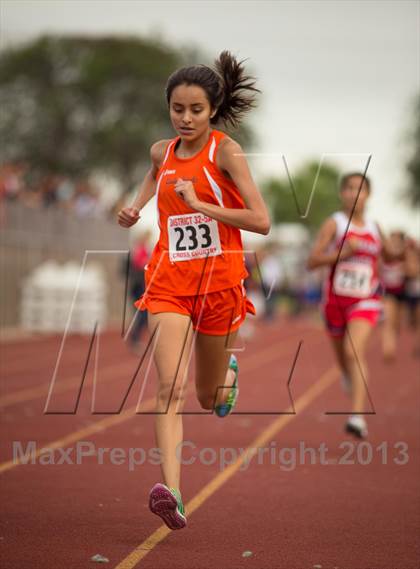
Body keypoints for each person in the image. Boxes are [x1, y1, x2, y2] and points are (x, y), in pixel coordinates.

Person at [117, 51, 270, 530]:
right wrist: (136, 206)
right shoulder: (161, 151)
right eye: (177, 109)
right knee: (169, 386)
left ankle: (226, 373)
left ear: (212, 109)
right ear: (168, 107)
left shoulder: (227, 153)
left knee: (207, 397)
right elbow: (152, 175)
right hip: (169, 283)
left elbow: (260, 221)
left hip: (220, 285)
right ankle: (173, 492)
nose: (185, 119)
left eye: (196, 110)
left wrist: (202, 204)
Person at [307, 172, 403, 439]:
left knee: (353, 351)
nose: (353, 194)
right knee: (344, 361)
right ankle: (351, 379)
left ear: (368, 195)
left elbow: (389, 258)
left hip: (365, 300)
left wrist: (399, 251)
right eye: (348, 189)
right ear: (342, 194)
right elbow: (312, 261)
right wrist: (342, 254)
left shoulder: (374, 227)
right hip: (334, 302)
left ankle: (357, 417)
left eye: (359, 189)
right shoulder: (334, 224)